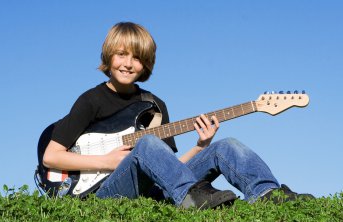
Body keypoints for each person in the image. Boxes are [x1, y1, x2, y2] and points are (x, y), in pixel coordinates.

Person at [42, 22, 313, 209]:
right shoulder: (91, 100)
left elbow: (167, 167)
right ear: (109, 56)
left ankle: (267, 194)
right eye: (121, 54)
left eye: (136, 58)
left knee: (226, 146)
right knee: (147, 143)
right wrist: (108, 161)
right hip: (100, 192)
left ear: (145, 64)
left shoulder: (154, 105)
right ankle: (192, 200)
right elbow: (51, 156)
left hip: (157, 189)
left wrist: (200, 146)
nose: (127, 63)